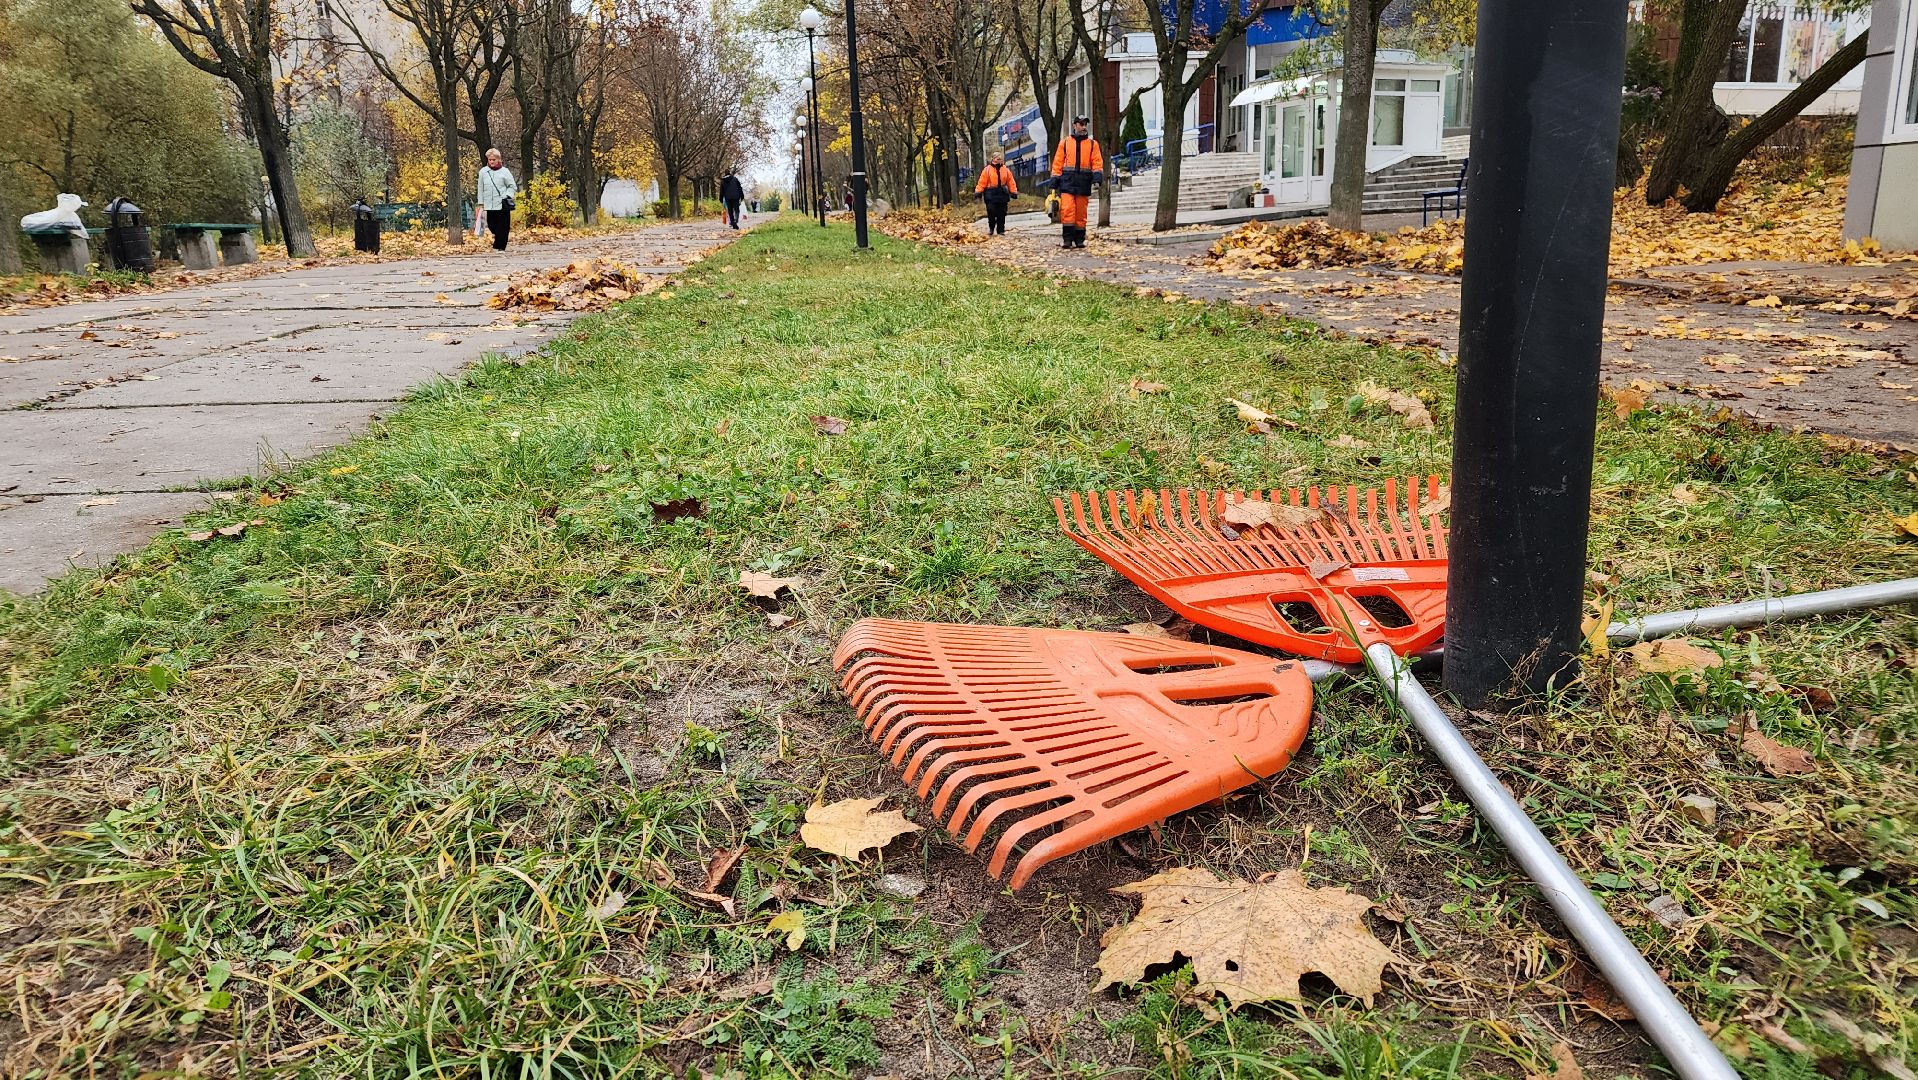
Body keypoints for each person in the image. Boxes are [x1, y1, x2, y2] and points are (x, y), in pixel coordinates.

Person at [1049, 115, 1104, 249]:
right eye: (1081, 124)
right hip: (1067, 181)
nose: (1084, 127)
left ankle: (1079, 239)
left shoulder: (1093, 144)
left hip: (1083, 181)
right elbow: (1058, 162)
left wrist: (1097, 178)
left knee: (1081, 212)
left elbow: (1097, 162)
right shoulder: (1064, 143)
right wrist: (1054, 181)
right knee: (1067, 209)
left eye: (1085, 124)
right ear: (1074, 126)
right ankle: (1067, 239)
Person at [475, 148, 518, 251]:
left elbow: (512, 186)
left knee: (503, 226)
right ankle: (498, 241)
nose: (491, 162)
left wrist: (507, 195)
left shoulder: (505, 172)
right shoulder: (483, 172)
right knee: (492, 225)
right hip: (489, 203)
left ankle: (500, 247)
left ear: (498, 159)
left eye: (493, 159)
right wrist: (481, 203)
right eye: (490, 159)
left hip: (502, 203)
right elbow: (480, 188)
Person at [974, 153, 1017, 236]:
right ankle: (991, 228)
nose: (999, 160)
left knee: (1002, 213)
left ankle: (1000, 230)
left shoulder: (1005, 169)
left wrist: (1013, 191)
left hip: (1002, 192)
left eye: (1000, 159)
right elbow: (982, 182)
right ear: (993, 159)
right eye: (997, 158)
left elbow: (1011, 181)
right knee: (991, 211)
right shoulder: (987, 170)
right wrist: (978, 191)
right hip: (990, 193)